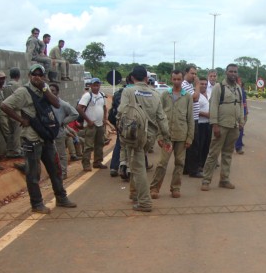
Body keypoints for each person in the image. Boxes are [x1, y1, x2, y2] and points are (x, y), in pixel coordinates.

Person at [0, 64, 76, 214]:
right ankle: (37, 204)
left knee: (55, 170)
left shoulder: (44, 89)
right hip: (32, 138)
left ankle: (61, 197)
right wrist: (21, 120)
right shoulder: (23, 92)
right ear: (29, 76)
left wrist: (45, 89)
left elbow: (56, 103)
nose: (37, 77)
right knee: (33, 173)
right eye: (34, 74)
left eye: (40, 75)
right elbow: (5, 105)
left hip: (46, 136)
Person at [117, 65, 169, 212]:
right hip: (149, 137)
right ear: (146, 78)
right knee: (136, 163)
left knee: (138, 167)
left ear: (132, 78)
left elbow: (121, 111)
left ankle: (145, 202)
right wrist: (166, 137)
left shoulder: (128, 91)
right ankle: (134, 194)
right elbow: (162, 118)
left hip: (133, 136)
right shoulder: (155, 94)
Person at [150, 70, 194, 199]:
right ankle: (154, 188)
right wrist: (159, 135)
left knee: (180, 163)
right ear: (171, 79)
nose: (176, 82)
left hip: (182, 136)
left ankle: (175, 188)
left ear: (182, 80)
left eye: (179, 79)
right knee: (162, 163)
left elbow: (190, 118)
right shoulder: (164, 95)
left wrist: (190, 137)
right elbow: (158, 116)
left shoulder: (187, 97)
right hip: (167, 137)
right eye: (174, 79)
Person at [201, 63, 244, 191]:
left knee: (227, 154)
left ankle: (224, 180)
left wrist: (241, 121)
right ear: (226, 72)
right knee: (213, 154)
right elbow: (213, 106)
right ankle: (206, 180)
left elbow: (240, 105)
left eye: (235, 72)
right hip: (221, 126)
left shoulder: (238, 88)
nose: (233, 74)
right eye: (231, 71)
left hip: (234, 126)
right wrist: (215, 125)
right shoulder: (219, 87)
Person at [48, 83, 79, 180]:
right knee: (51, 155)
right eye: (49, 90)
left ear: (57, 92)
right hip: (48, 133)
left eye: (53, 90)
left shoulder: (62, 104)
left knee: (61, 154)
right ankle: (54, 173)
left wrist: (63, 122)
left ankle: (63, 173)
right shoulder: (46, 103)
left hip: (59, 133)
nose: (51, 92)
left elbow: (75, 114)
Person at [77, 78, 107, 171]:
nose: (96, 87)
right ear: (90, 86)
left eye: (97, 85)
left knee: (100, 144)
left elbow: (104, 107)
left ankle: (97, 162)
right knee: (89, 145)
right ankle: (86, 164)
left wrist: (105, 119)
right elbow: (79, 108)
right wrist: (88, 120)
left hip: (100, 124)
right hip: (91, 125)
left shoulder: (102, 95)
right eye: (94, 85)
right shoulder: (87, 96)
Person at [197, 78, 211, 175]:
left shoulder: (209, 94)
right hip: (199, 124)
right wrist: (206, 114)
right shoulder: (196, 95)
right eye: (202, 84)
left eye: (205, 84)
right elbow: (194, 110)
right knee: (199, 146)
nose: (204, 86)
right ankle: (198, 165)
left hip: (209, 124)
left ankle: (204, 164)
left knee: (207, 144)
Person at [235, 80, 249, 154]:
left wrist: (246, 109)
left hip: (241, 112)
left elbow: (244, 101)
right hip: (231, 113)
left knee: (240, 129)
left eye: (240, 83)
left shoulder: (242, 91)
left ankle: (238, 146)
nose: (239, 84)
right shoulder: (227, 89)